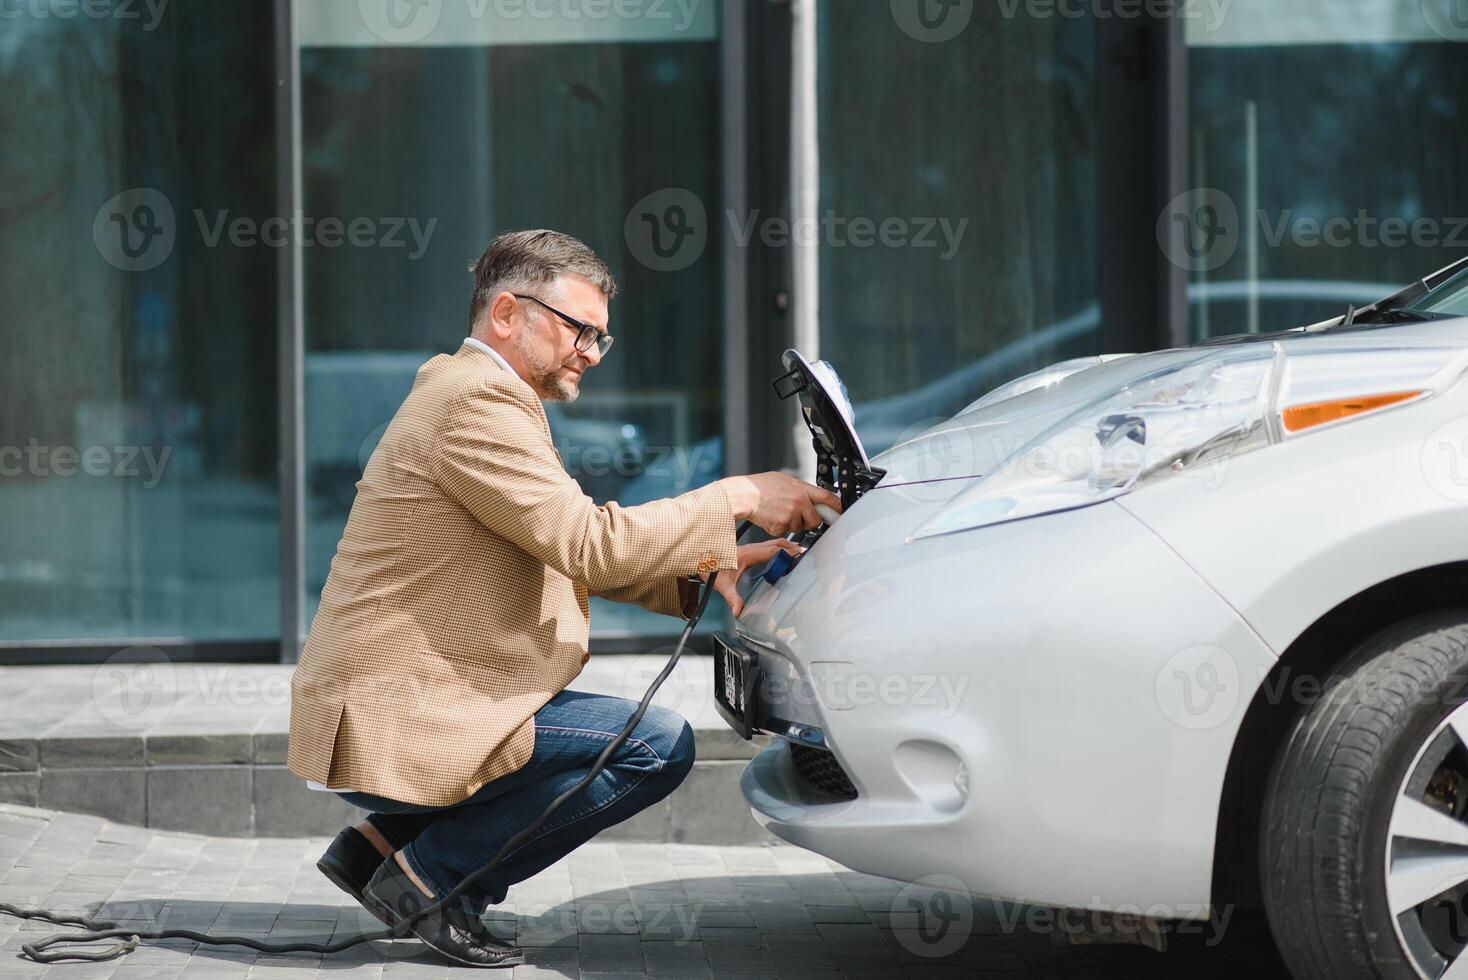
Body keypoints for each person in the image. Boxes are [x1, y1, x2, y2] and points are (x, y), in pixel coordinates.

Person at [286, 229, 841, 967]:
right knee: (652, 746)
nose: (591, 352)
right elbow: (588, 543)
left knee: (599, 732)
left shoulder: (476, 392)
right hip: (399, 709)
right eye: (581, 330)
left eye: (601, 339)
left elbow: (570, 554)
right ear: (509, 313)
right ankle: (434, 878)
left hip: (399, 697)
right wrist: (740, 494)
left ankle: (380, 845)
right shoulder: (476, 403)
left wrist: (711, 564)